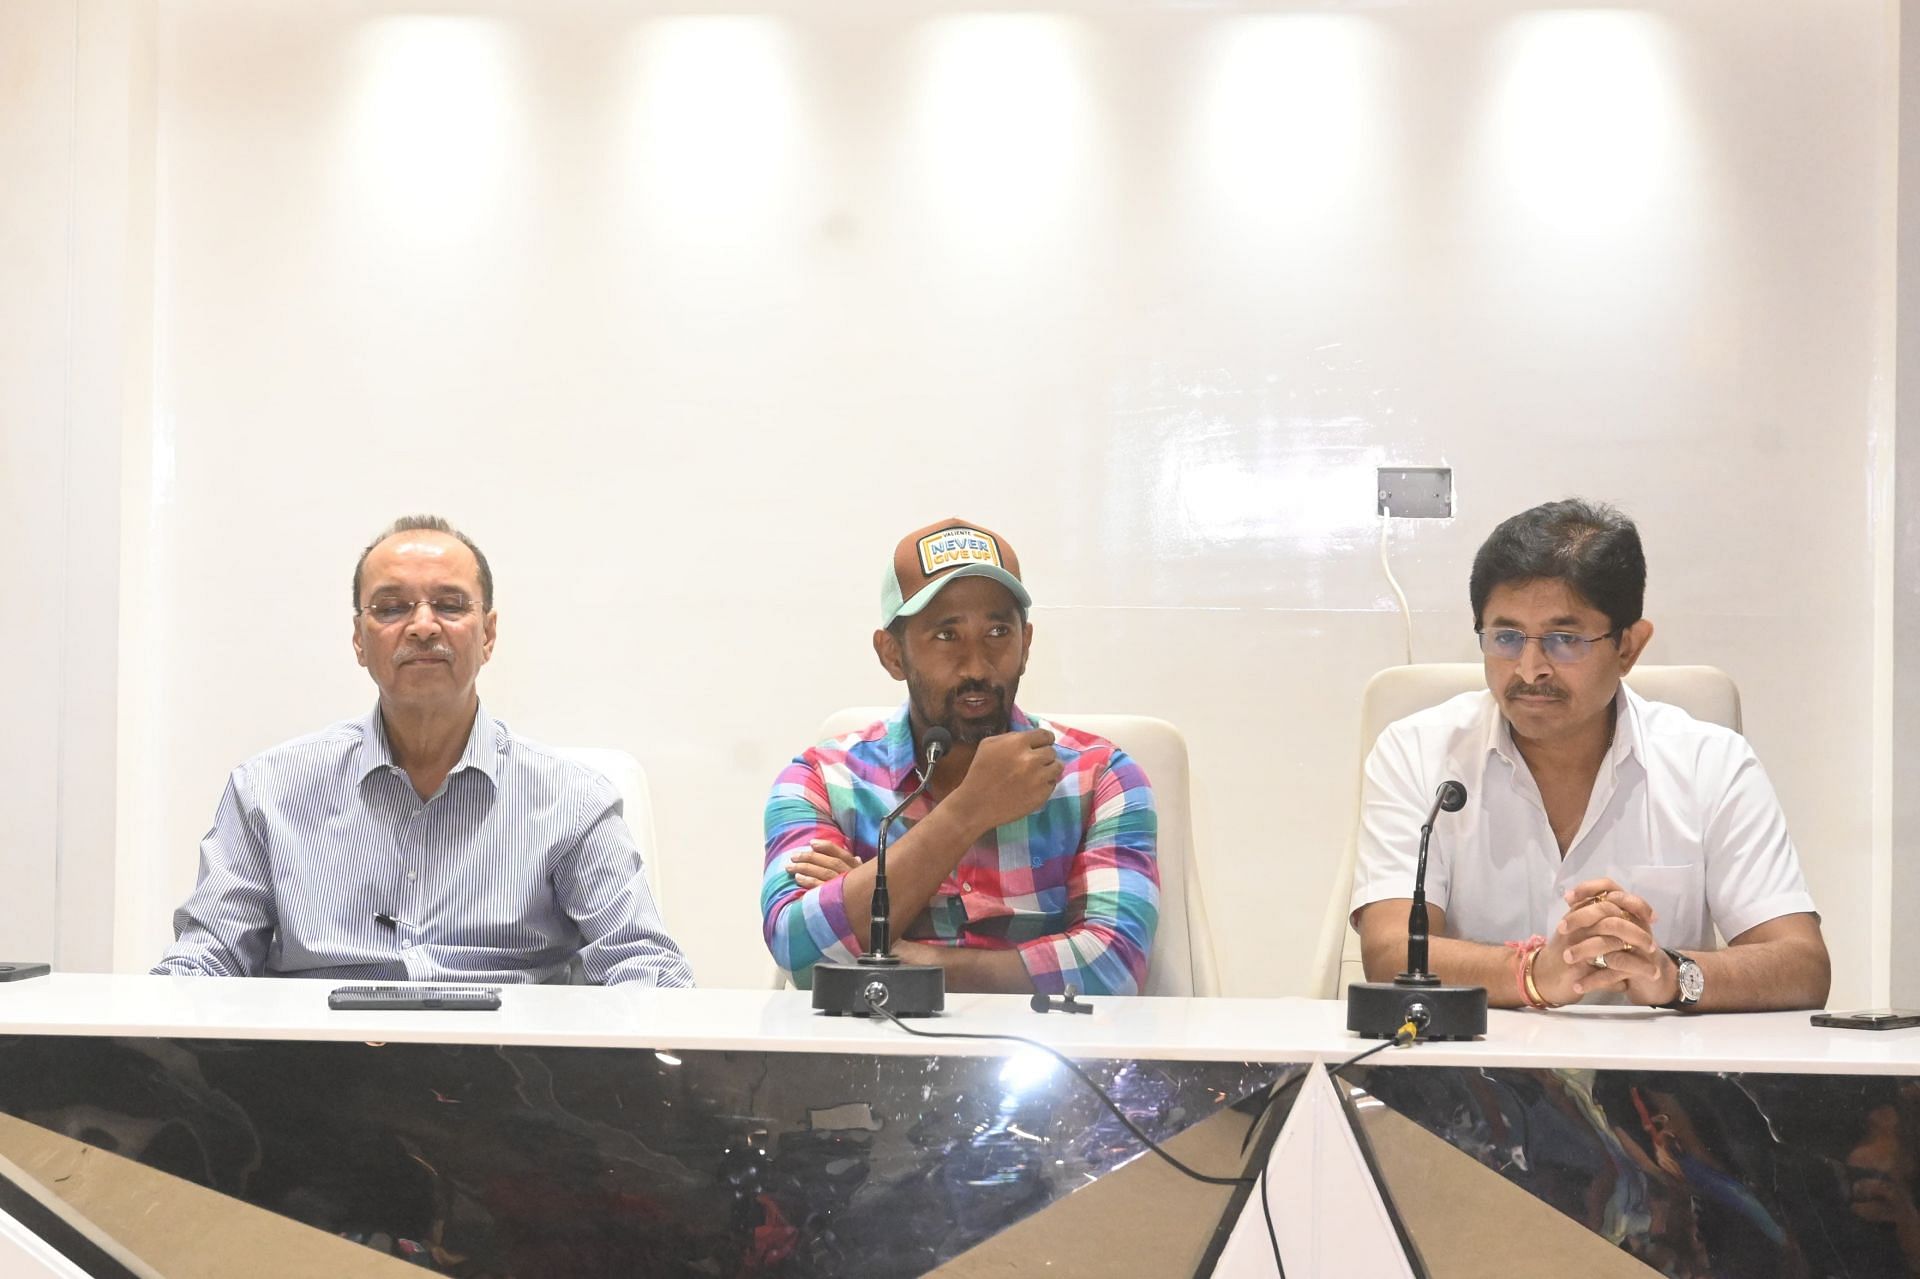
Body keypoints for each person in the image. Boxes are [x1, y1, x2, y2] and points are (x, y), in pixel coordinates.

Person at [154, 515, 692, 986]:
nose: (423, 625)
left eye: (451, 605)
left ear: (488, 634)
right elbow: (207, 961)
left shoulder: (572, 799)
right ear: (359, 640)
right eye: (391, 608)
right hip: (319, 1079)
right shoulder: (268, 790)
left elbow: (643, 966)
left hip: (508, 1082)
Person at [1351, 499, 1828, 1011]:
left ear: (1629, 647)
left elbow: (1801, 967)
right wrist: (1535, 973)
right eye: (1506, 637)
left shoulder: (1712, 762)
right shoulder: (1418, 751)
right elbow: (1390, 951)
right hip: (1472, 1078)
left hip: (1657, 1081)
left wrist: (1670, 973)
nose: (1530, 668)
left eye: (1565, 639)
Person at [761, 518, 1159, 995]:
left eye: (997, 632)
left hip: (1050, 1059)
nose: (977, 666)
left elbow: (1112, 968)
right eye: (946, 637)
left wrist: (895, 952)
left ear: (1026, 644)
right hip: (870, 1062)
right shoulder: (819, 779)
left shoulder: (1102, 777)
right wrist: (968, 811)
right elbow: (797, 949)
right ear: (892, 654)